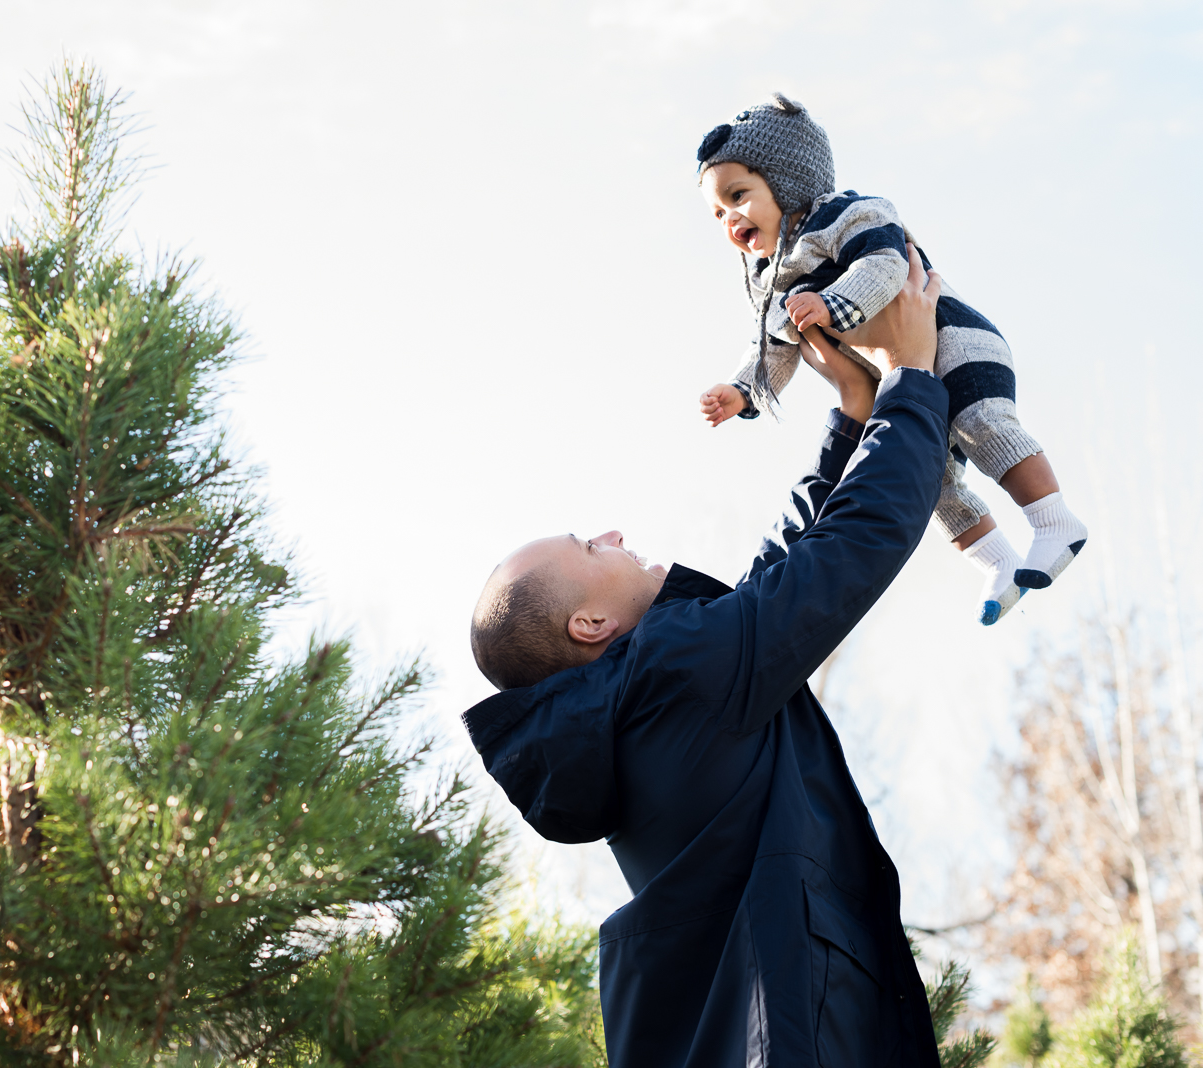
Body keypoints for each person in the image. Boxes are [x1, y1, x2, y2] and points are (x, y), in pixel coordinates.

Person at [464, 247, 950, 1067]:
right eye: (591, 544)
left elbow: (776, 583)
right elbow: (847, 553)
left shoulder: (640, 706)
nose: (613, 533)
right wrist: (911, 376)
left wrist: (852, 421)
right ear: (589, 624)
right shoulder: (672, 674)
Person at [693, 93, 1084, 625]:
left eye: (738, 195)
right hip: (900, 378)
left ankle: (1053, 519)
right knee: (933, 477)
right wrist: (744, 390)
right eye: (717, 212)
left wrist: (830, 304)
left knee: (981, 424)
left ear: (788, 179)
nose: (729, 218)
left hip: (954, 340)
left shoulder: (845, 215)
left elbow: (884, 263)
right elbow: (775, 347)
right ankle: (997, 561)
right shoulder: (773, 281)